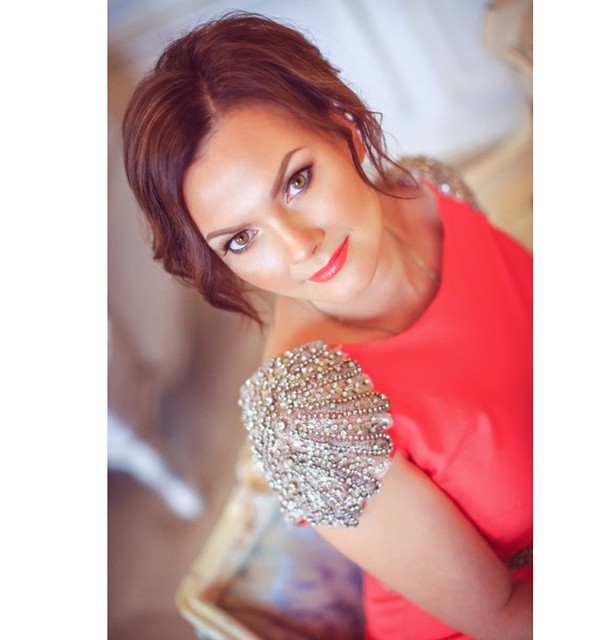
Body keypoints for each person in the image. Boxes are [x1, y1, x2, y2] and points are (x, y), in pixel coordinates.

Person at [122, 12, 532, 640]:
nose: (298, 247)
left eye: (296, 181)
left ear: (345, 132)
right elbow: (501, 618)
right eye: (240, 240)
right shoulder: (309, 419)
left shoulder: (431, 190)